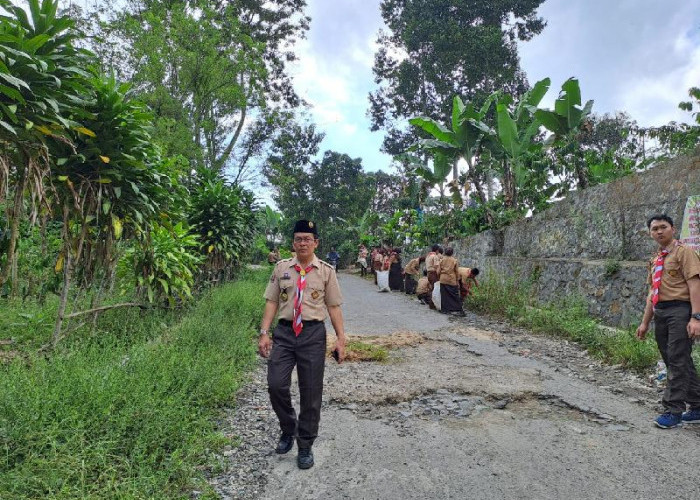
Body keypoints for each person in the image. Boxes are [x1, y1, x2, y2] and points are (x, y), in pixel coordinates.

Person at [258, 220, 347, 468]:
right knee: (276, 384)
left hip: (312, 334)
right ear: (293, 243)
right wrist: (265, 332)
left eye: (307, 239)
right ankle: (288, 428)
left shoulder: (326, 271)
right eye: (298, 239)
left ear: (316, 242)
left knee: (311, 392)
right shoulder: (281, 268)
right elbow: (272, 302)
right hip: (285, 333)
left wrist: (341, 339)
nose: (302, 243)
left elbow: (333, 307)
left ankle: (305, 444)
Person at [636, 214, 700, 429]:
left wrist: (696, 317)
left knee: (677, 359)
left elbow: (694, 285)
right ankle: (698, 405)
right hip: (661, 312)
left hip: (680, 310)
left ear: (673, 229)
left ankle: (673, 410)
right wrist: (645, 323)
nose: (659, 231)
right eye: (655, 229)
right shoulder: (656, 259)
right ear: (651, 233)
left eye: (663, 227)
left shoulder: (685, 253)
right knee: (676, 359)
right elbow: (652, 293)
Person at [437, 247, 464, 316]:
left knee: (444, 295)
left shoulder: (441, 260)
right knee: (454, 295)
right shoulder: (454, 260)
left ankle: (445, 310)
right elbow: (457, 271)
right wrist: (457, 280)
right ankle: (459, 309)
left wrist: (439, 276)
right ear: (452, 253)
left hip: (443, 279)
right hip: (451, 279)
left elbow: (438, 271)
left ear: (445, 252)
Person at [424, 244, 441, 309]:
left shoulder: (428, 256)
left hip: (429, 273)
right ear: (437, 250)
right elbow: (436, 267)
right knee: (435, 289)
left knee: (432, 288)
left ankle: (431, 303)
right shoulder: (435, 256)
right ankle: (432, 304)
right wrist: (439, 275)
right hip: (433, 273)